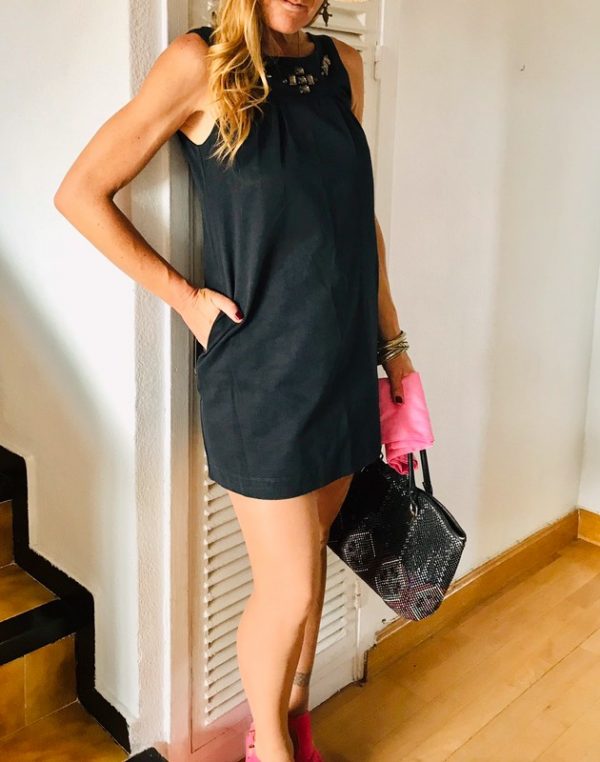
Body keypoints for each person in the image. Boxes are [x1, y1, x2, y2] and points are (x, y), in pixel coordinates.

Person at [54, 1, 415, 760]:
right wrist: (186, 299)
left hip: (344, 366)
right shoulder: (200, 63)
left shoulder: (342, 68)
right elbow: (80, 192)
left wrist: (395, 350)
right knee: (289, 589)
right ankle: (271, 751)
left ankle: (293, 722)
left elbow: (363, 224)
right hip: (262, 378)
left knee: (312, 566)